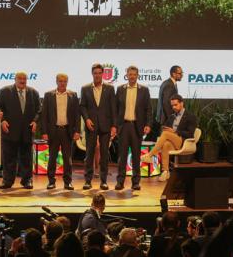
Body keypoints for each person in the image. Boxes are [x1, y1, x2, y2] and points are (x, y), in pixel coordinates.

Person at [0, 71, 41, 189]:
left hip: (27, 130)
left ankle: (27, 180)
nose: (22, 81)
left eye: (24, 79)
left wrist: (35, 121)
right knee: (9, 157)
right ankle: (7, 181)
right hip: (9, 130)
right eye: (20, 78)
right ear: (15, 79)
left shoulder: (34, 92)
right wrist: (3, 121)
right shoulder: (5, 91)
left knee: (26, 157)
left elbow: (39, 110)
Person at [39, 73, 81, 190]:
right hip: (53, 131)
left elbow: (77, 115)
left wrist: (77, 131)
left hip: (67, 131)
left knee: (68, 159)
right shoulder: (48, 95)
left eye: (65, 81)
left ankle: (68, 182)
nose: (63, 83)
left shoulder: (73, 95)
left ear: (67, 82)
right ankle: (51, 181)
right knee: (52, 157)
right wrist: (44, 132)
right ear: (56, 81)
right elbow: (44, 116)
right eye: (60, 81)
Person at [80, 63, 117, 191]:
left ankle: (104, 181)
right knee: (89, 154)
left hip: (106, 126)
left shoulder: (110, 88)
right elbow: (82, 106)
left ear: (103, 74)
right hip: (91, 126)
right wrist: (87, 119)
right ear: (92, 74)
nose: (97, 75)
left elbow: (113, 108)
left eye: (99, 73)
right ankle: (88, 181)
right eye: (95, 73)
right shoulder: (85, 88)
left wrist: (114, 126)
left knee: (104, 154)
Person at [114, 65, 151, 191]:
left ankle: (136, 182)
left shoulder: (144, 90)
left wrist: (148, 124)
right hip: (123, 126)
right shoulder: (120, 89)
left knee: (136, 156)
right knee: (122, 156)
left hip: (137, 126)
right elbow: (115, 109)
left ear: (137, 75)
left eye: (134, 74)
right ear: (127, 75)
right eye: (130, 74)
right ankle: (120, 182)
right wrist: (115, 125)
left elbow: (148, 109)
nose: (132, 77)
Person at [148, 95, 197, 181]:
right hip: (172, 142)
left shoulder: (190, 116)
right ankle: (165, 171)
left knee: (166, 134)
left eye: (176, 105)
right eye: (172, 105)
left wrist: (174, 131)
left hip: (183, 141)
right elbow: (166, 129)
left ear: (181, 103)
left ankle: (150, 155)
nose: (173, 107)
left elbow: (190, 134)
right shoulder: (171, 117)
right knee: (166, 144)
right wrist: (164, 129)